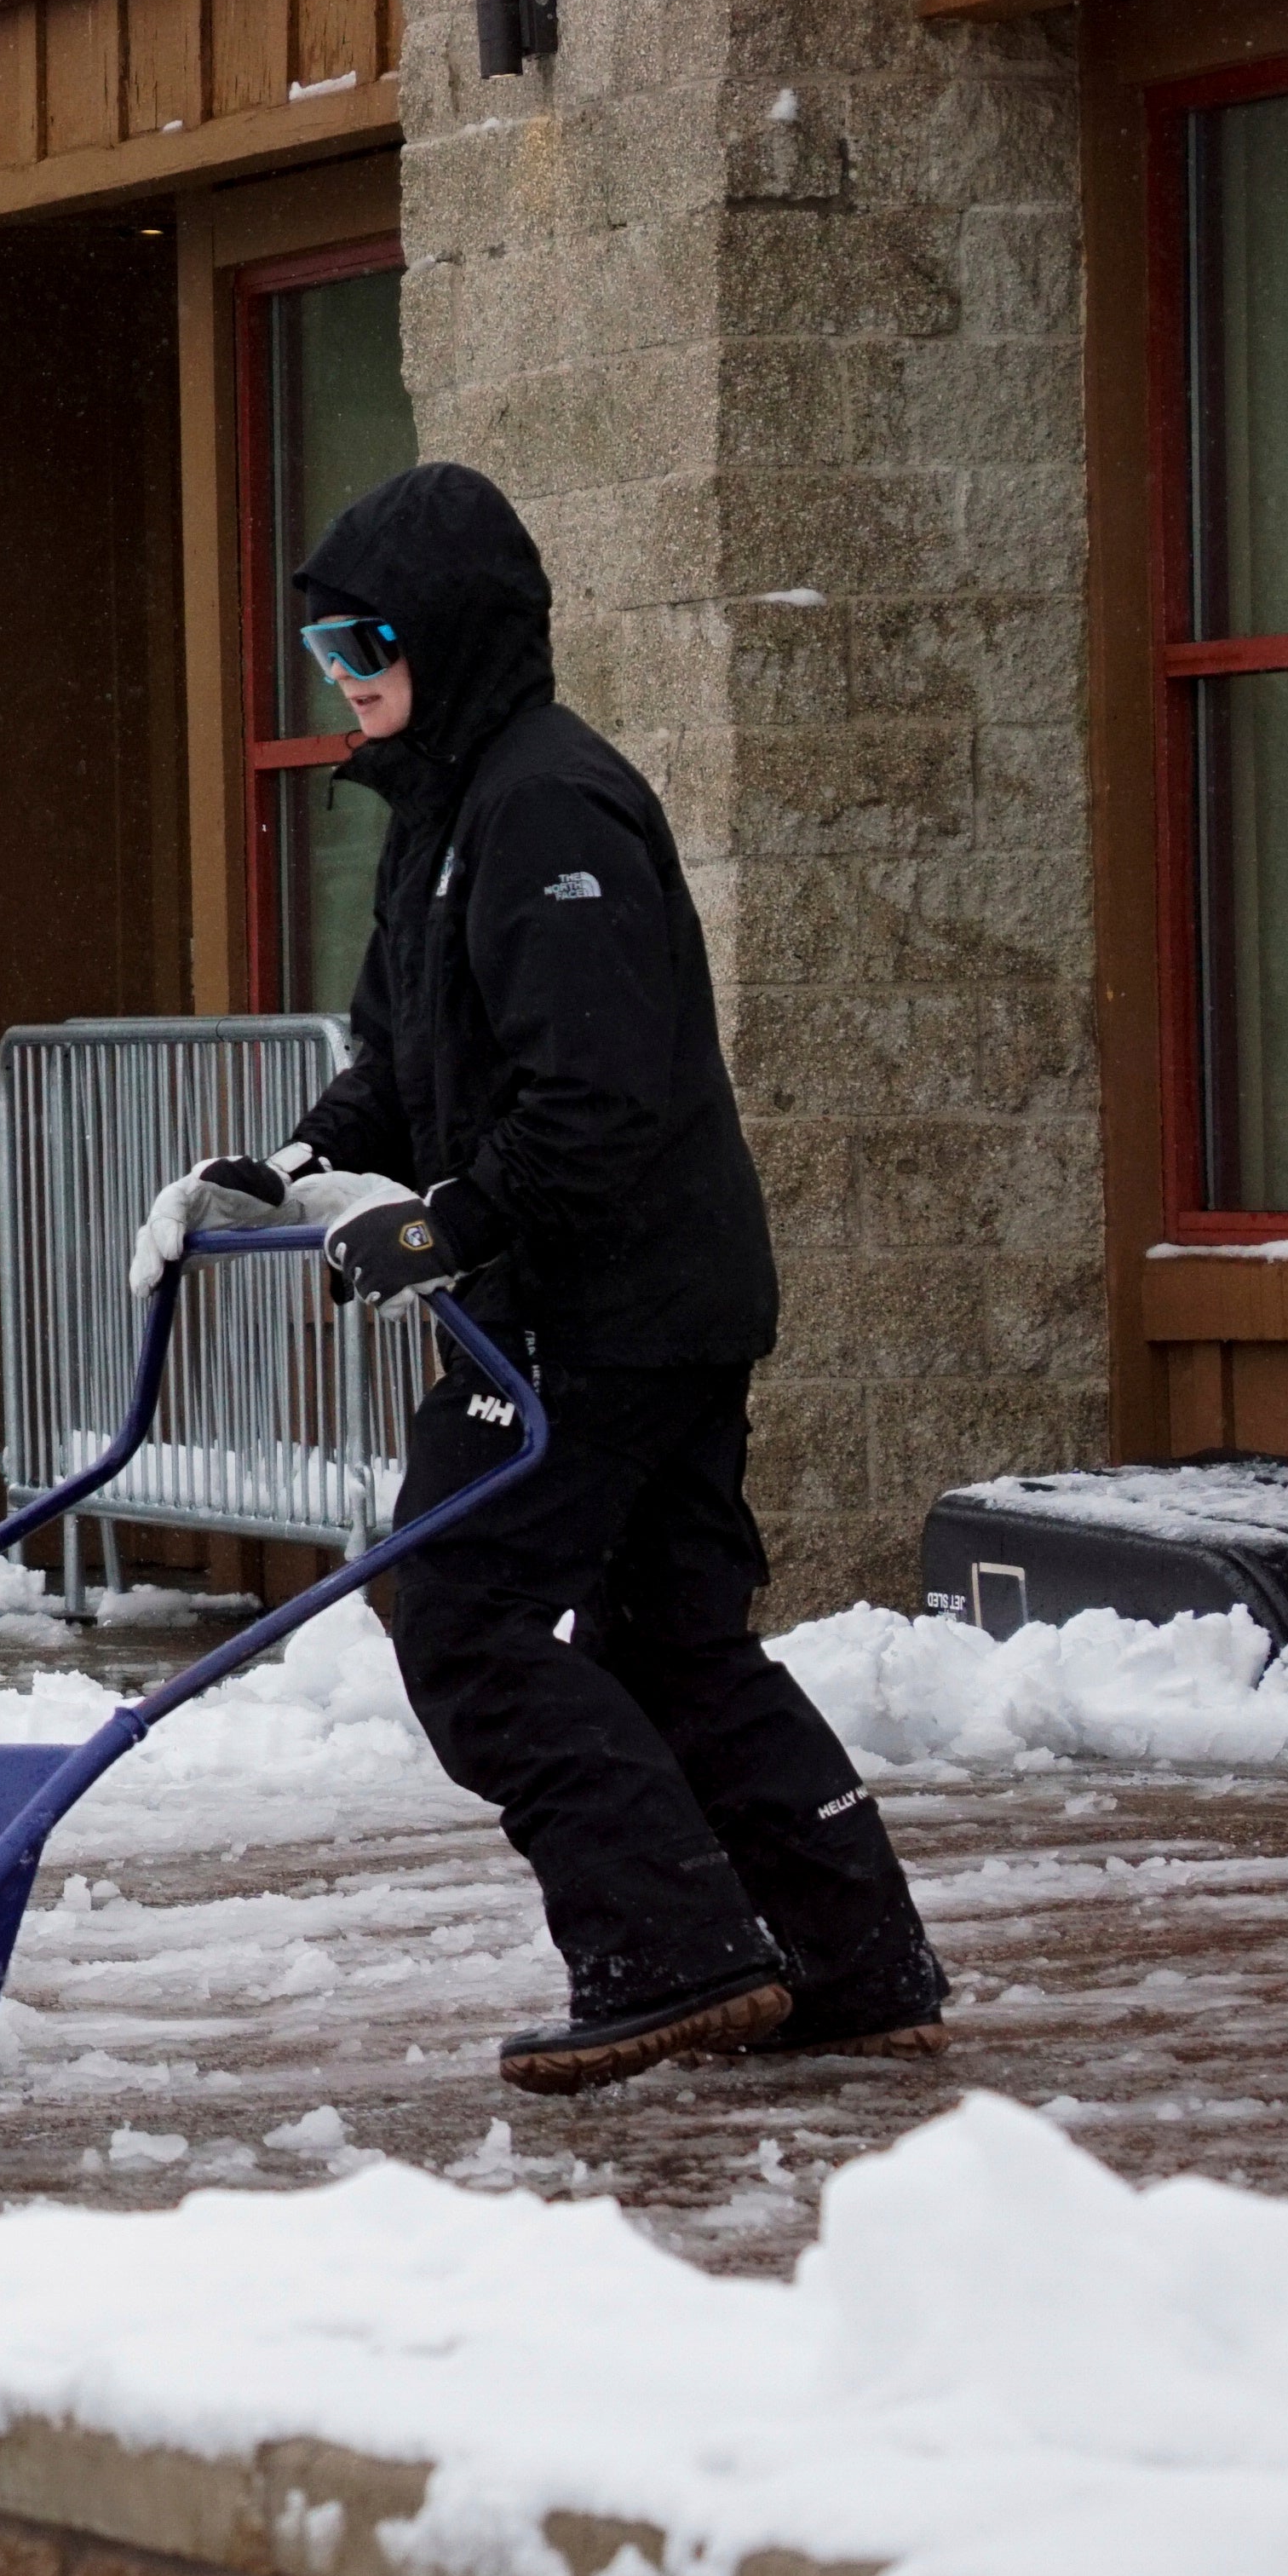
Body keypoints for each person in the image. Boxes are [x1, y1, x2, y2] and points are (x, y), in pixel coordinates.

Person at [131, 462, 950, 2095]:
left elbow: (600, 1097)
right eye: (322, 655)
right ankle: (851, 1965)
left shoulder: (545, 806)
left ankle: (675, 1952)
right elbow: (402, 1065)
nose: (347, 679)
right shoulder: (444, 814)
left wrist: (449, 1226)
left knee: (462, 1611)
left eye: (369, 642)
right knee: (670, 1638)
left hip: (609, 1310)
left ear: (457, 635)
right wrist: (291, 1167)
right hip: (608, 1302)